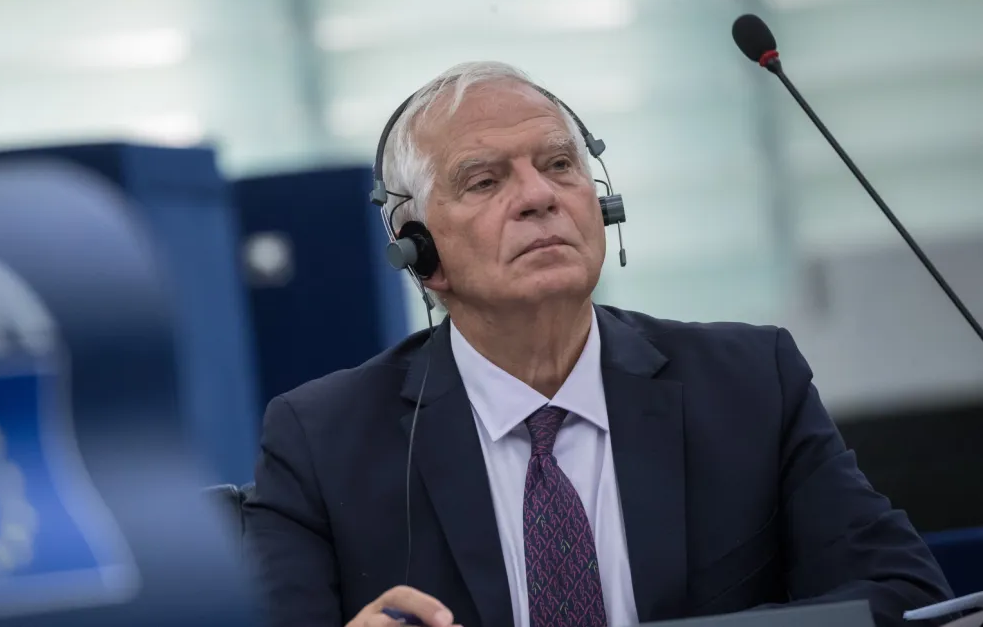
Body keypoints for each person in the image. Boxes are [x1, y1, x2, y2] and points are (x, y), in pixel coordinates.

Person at [241, 61, 953, 627]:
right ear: (417, 251)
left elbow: (904, 594)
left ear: (600, 204)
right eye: (484, 180)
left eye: (558, 165)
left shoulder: (748, 383)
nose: (538, 196)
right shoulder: (321, 440)